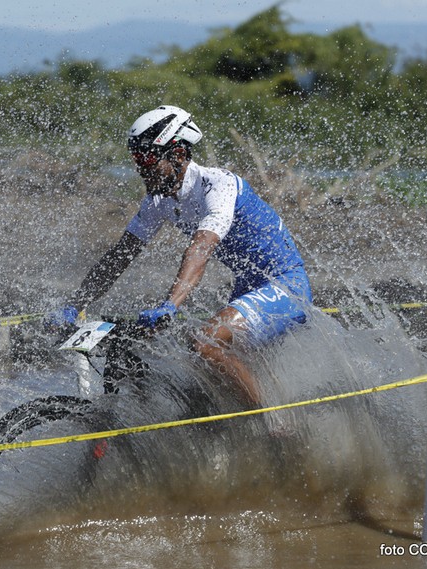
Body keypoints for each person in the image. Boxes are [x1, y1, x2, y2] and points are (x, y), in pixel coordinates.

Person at [50, 105, 312, 406]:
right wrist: (75, 303)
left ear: (177, 155)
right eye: (136, 159)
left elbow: (201, 247)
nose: (140, 168)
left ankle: (276, 426)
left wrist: (170, 304)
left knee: (205, 342)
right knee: (197, 375)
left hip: (286, 286)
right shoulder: (158, 201)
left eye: (147, 158)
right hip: (247, 290)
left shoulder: (219, 185)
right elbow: (120, 255)